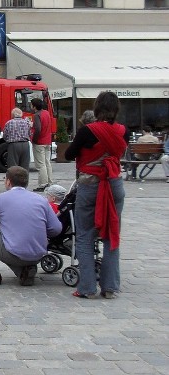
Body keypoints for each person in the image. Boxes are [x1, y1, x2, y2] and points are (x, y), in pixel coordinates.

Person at [65, 91, 128, 299]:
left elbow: (69, 154)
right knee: (111, 234)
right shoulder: (122, 131)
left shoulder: (87, 132)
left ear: (97, 107)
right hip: (114, 183)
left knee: (84, 235)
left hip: (90, 184)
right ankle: (109, 287)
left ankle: (88, 288)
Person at [0, 166, 62, 286]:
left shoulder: (2, 199)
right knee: (15, 245)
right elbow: (56, 228)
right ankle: (24, 270)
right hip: (38, 254)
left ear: (8, 181)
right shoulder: (41, 200)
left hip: (14, 254)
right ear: (26, 182)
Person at [30, 98, 54, 192]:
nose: (31, 106)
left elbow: (38, 129)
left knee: (40, 164)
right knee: (47, 162)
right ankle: (50, 181)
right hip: (47, 141)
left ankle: (42, 184)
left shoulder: (36, 115)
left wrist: (34, 140)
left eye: (31, 105)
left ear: (34, 106)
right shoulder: (46, 113)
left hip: (40, 142)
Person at [2, 107, 31, 172]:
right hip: (25, 144)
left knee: (13, 166)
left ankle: (14, 181)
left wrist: (8, 141)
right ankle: (24, 181)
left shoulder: (9, 123)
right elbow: (29, 134)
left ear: (13, 115)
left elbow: (5, 136)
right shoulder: (26, 123)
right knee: (25, 166)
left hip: (13, 144)